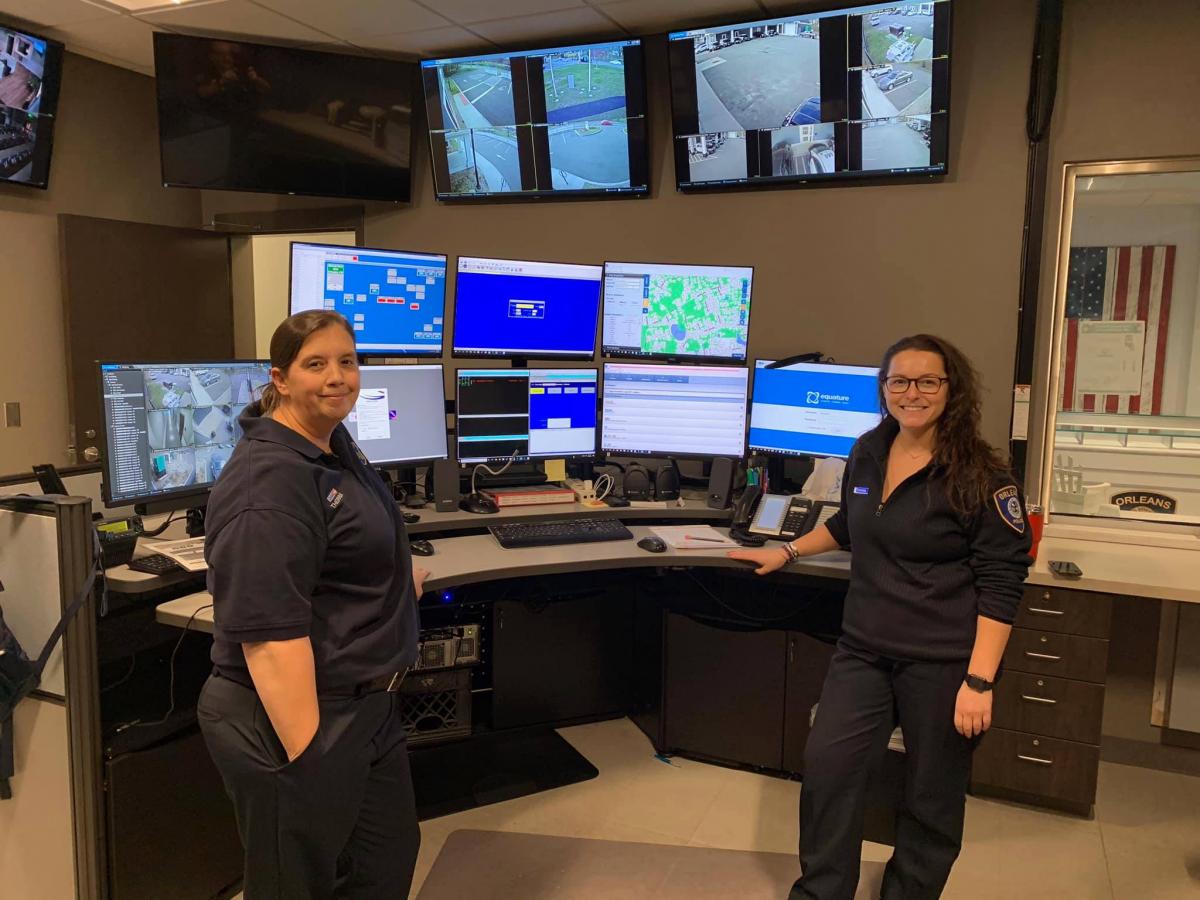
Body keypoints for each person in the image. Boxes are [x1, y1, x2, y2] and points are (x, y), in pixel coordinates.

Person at [730, 334, 1032, 900]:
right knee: (828, 772)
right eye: (899, 381)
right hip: (864, 649)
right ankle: (822, 892)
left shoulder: (983, 477)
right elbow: (851, 522)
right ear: (884, 388)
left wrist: (979, 681)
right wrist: (788, 549)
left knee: (931, 794)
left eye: (928, 381)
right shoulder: (870, 448)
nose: (911, 393)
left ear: (952, 389)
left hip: (943, 662)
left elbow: (1001, 582)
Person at [196, 311, 427, 900]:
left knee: (384, 863)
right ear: (280, 378)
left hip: (367, 707)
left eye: (346, 362)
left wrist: (392, 584)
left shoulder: (328, 444)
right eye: (316, 364)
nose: (337, 377)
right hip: (292, 718)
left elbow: (337, 550)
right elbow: (269, 640)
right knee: (295, 884)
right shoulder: (268, 485)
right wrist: (311, 762)